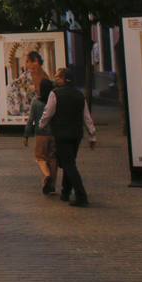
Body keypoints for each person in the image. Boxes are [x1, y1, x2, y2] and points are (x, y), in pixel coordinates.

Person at [38, 67, 95, 207]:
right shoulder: (79, 95)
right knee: (70, 162)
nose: (55, 79)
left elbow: (48, 112)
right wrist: (92, 135)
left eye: (58, 77)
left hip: (62, 134)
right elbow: (86, 116)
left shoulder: (55, 94)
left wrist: (41, 124)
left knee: (69, 165)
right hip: (76, 134)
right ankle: (65, 192)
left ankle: (81, 195)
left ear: (64, 79)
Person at [24, 79, 57, 194]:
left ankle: (47, 175)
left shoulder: (36, 102)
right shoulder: (54, 100)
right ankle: (52, 184)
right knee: (53, 158)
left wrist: (26, 135)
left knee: (40, 157)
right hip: (54, 133)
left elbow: (31, 120)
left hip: (41, 134)